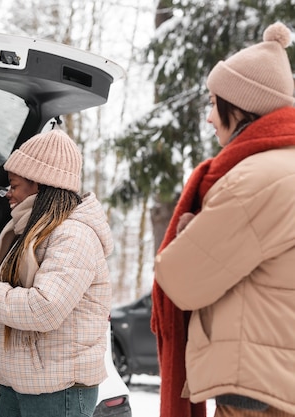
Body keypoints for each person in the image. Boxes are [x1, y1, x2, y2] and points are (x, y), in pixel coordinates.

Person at [153, 22, 295, 417]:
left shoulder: (255, 180)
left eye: (215, 104)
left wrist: (189, 233)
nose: (209, 117)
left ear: (242, 108)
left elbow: (180, 279)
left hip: (256, 389)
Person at [0, 129, 114, 417]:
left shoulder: (74, 236)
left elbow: (42, 309)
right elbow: (6, 312)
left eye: (13, 185)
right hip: (20, 383)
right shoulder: (33, 233)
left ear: (39, 184)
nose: (7, 194)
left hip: (59, 392)